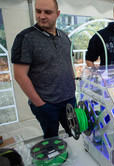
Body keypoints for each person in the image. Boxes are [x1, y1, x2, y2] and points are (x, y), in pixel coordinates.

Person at [11, 0, 76, 139]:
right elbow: (19, 75)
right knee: (52, 140)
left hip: (69, 100)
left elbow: (68, 63)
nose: (42, 16)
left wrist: (73, 88)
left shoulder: (64, 37)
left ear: (58, 14)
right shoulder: (25, 38)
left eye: (47, 12)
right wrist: (40, 104)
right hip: (47, 104)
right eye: (38, 11)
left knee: (75, 134)